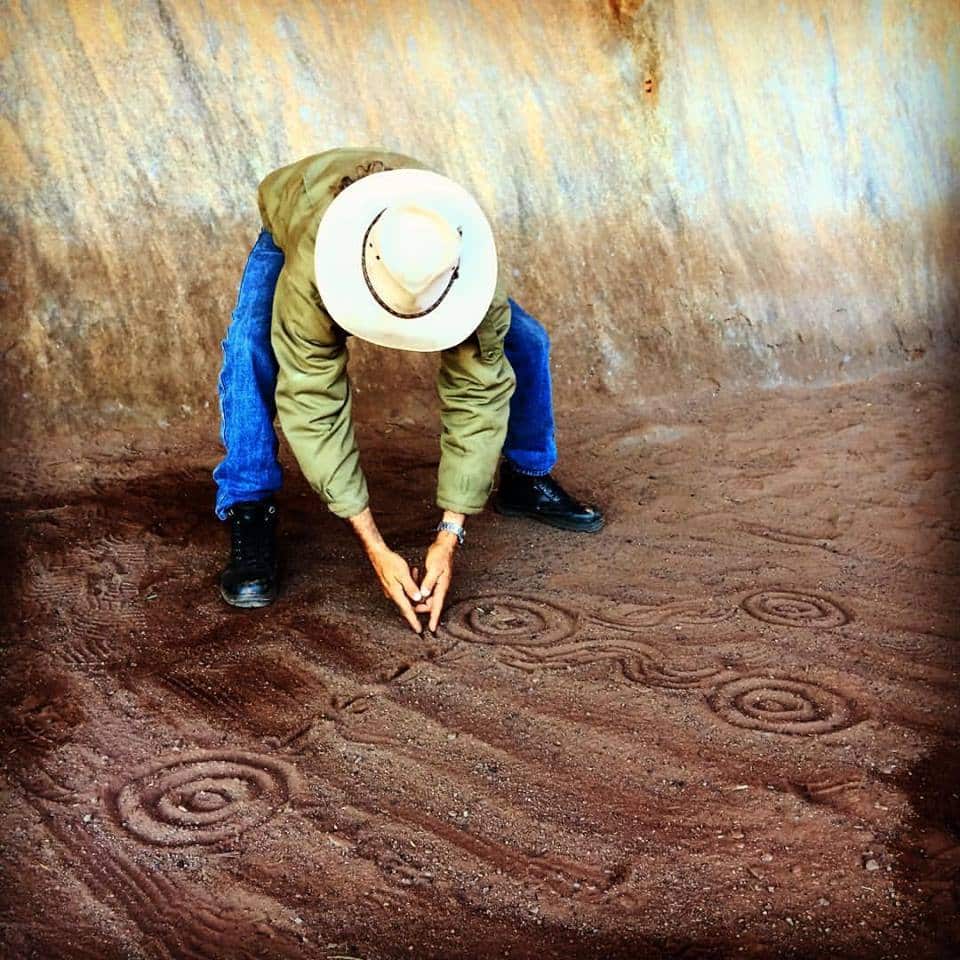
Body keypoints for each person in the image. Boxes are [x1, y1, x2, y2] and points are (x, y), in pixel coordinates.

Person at [214, 148, 603, 633]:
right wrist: (374, 543)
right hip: (301, 211)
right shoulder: (315, 264)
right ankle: (249, 504)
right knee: (249, 349)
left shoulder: (464, 255)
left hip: (415, 236)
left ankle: (526, 475)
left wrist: (450, 532)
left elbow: (478, 394)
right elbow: (311, 394)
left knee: (524, 342)